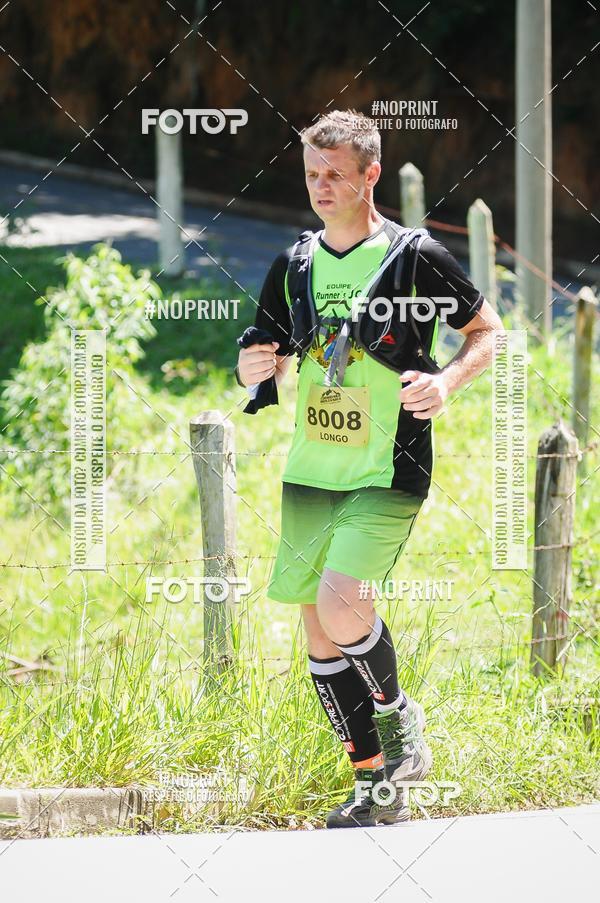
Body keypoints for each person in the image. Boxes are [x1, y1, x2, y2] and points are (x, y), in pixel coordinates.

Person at [235, 109, 503, 828]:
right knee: (320, 634)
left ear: (371, 175)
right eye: (312, 174)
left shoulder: (415, 257)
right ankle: (376, 788)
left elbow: (488, 332)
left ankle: (400, 715)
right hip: (312, 466)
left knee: (341, 602)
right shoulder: (294, 263)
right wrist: (250, 366)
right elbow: (264, 353)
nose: (321, 187)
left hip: (389, 463)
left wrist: (446, 381)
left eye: (336, 174)